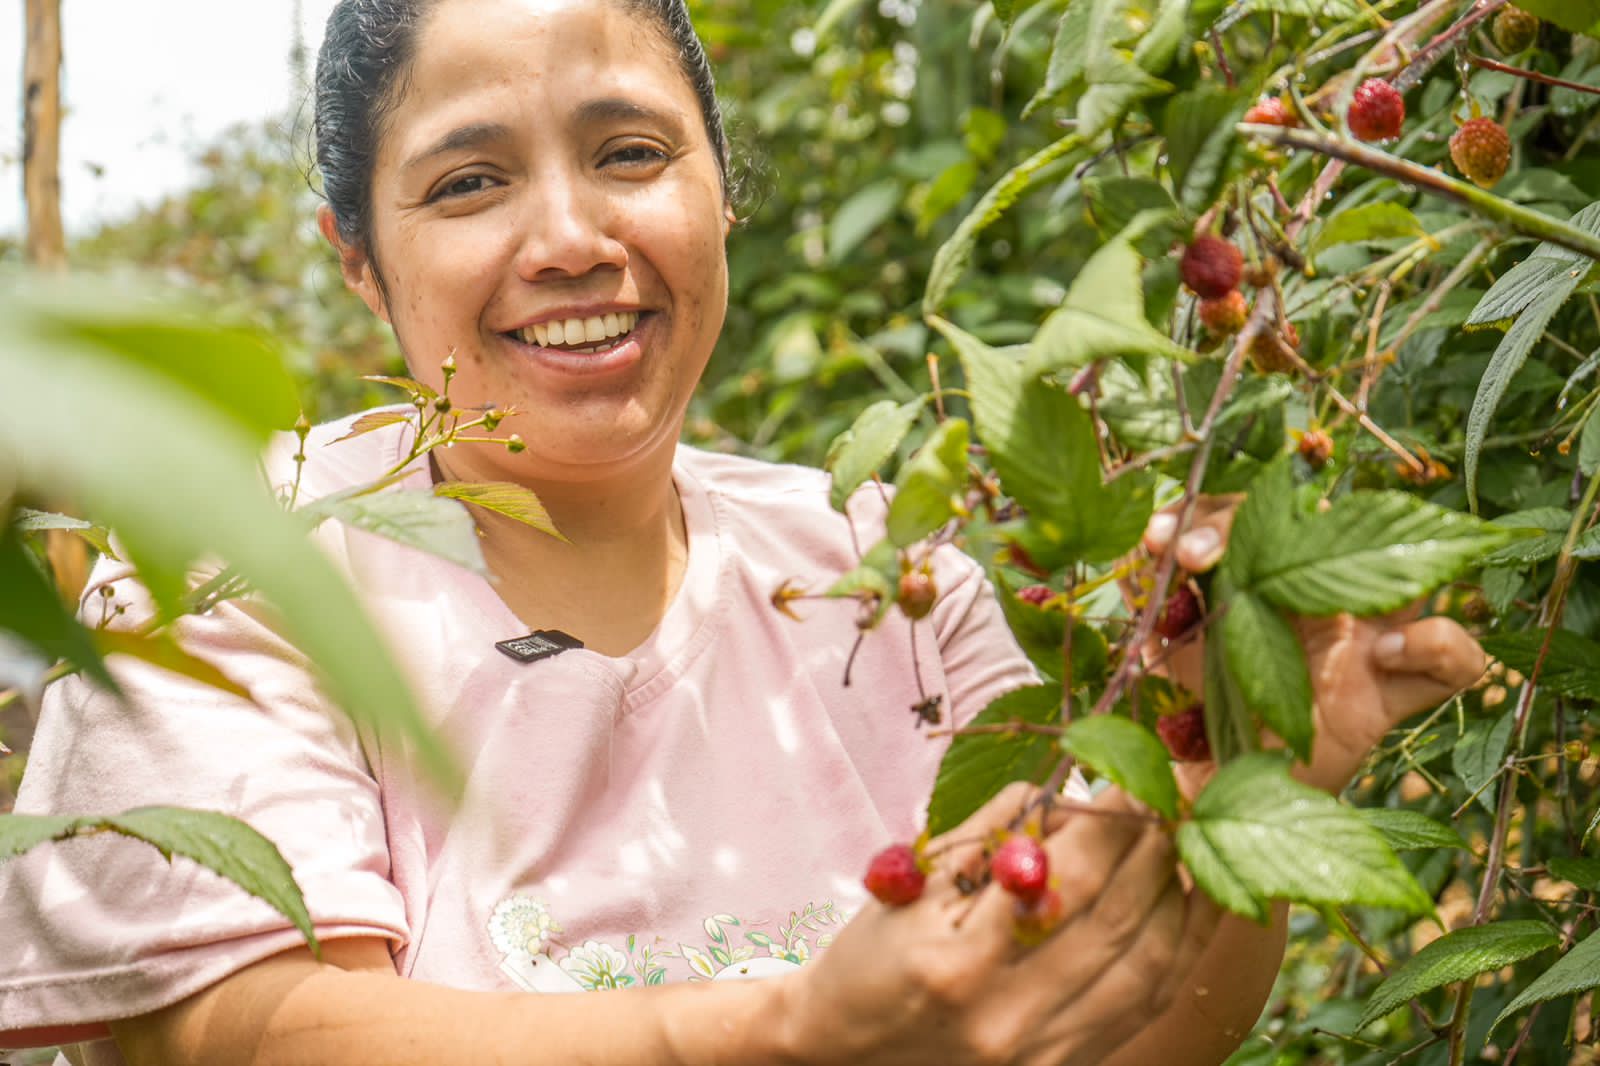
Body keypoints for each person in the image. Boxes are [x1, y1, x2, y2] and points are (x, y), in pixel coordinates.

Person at [0, 1, 1488, 1063]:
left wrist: (1231, 753)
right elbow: (250, 1036)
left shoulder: (880, 572)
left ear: (721, 188)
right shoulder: (235, 561)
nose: (573, 235)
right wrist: (792, 1029)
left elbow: (1110, 1031)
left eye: (632, 152)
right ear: (359, 262)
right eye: (469, 180)